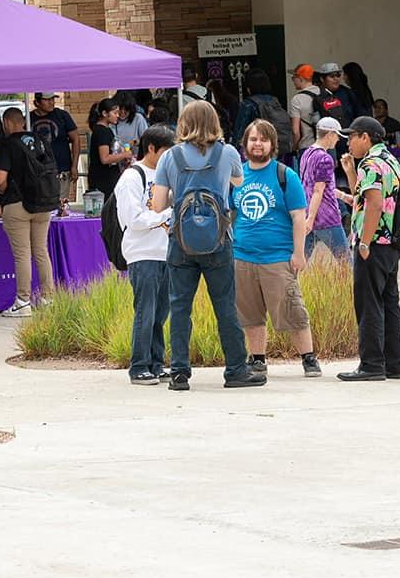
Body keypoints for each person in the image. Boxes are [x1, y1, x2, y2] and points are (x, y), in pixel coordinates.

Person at [150, 99, 265, 391]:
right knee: (225, 306)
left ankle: (179, 373)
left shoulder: (170, 157)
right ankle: (236, 370)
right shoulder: (227, 153)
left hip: (181, 243)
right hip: (218, 241)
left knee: (179, 308)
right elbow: (238, 183)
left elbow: (158, 205)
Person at [232, 119, 322, 378]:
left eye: (263, 139)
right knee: (250, 314)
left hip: (278, 257)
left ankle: (308, 358)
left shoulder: (285, 175)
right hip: (243, 257)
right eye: (253, 139)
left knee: (292, 311)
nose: (257, 144)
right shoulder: (237, 176)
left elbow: (298, 216)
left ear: (272, 144)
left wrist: (298, 253)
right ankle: (257, 359)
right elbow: (231, 213)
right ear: (245, 143)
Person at [337, 116, 400, 382]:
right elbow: (366, 196)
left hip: (374, 243)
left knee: (368, 303)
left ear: (365, 137)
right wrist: (350, 173)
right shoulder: (390, 160)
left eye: (351, 137)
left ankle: (371, 364)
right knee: (389, 302)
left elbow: (375, 204)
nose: (349, 143)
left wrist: (364, 242)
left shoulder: (370, 163)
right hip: (391, 243)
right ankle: (395, 364)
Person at [115, 125, 176, 384]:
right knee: (145, 310)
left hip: (166, 252)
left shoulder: (169, 176)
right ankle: (138, 365)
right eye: (166, 151)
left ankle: (155, 361)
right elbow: (133, 218)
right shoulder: (132, 177)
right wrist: (166, 215)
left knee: (161, 312)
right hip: (143, 253)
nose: (170, 157)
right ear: (151, 149)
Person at [0, 108, 60, 316]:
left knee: (22, 254)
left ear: (7, 122)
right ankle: (48, 299)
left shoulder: (8, 144)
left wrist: (2, 190)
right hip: (43, 204)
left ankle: (23, 301)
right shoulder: (40, 140)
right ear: (23, 121)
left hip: (17, 204)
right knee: (41, 251)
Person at [299, 117, 352, 262]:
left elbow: (315, 187)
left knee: (299, 261)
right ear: (329, 135)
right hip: (327, 218)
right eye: (337, 136)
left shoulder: (306, 154)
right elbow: (319, 190)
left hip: (308, 213)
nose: (338, 140)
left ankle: (286, 285)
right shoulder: (325, 158)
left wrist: (344, 197)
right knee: (346, 262)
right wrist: (311, 219)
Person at [233, 68, 293, 164]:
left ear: (249, 87)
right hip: (276, 151)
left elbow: (239, 132)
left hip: (255, 153)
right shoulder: (275, 101)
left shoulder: (248, 104)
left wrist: (234, 152)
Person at [30, 92, 81, 201]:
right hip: (38, 172)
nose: (51, 102)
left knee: (60, 204)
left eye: (53, 99)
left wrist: (74, 165)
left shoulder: (62, 115)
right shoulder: (28, 119)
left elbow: (76, 139)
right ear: (37, 102)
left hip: (61, 170)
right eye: (47, 100)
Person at [87, 97, 131, 198]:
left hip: (108, 177)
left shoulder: (105, 130)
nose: (117, 116)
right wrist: (124, 154)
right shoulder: (102, 131)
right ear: (104, 114)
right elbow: (105, 158)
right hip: (103, 180)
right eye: (115, 113)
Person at [288, 63, 320, 155]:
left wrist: (294, 147)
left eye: (294, 78)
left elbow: (295, 132)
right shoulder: (322, 93)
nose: (293, 81)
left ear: (300, 78)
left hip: (307, 147)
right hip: (324, 146)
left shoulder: (297, 100)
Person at [314, 63, 359, 127]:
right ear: (322, 79)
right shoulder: (318, 95)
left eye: (338, 76)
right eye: (332, 76)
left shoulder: (347, 92)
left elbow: (358, 114)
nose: (336, 79)